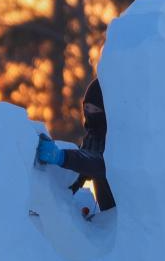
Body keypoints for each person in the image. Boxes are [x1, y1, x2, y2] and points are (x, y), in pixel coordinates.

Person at [35, 78, 116, 212]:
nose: (90, 113)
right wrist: (56, 197)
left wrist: (62, 157)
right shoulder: (92, 137)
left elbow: (97, 164)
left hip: (128, 217)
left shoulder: (115, 139)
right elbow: (79, 174)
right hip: (108, 217)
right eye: (87, 108)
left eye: (96, 109)